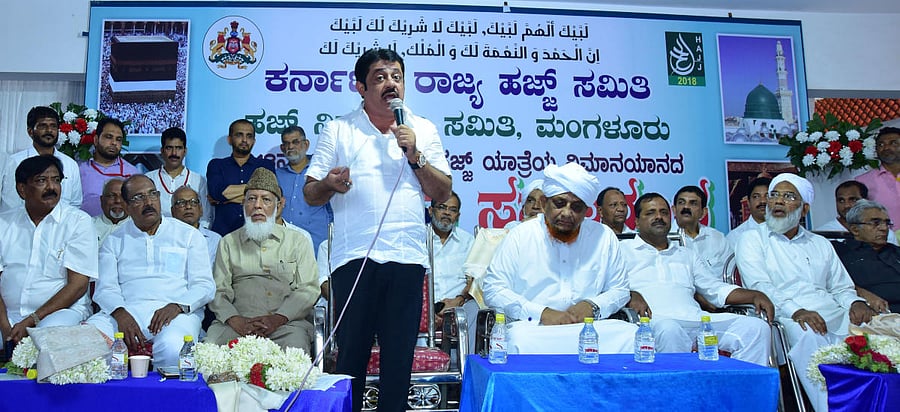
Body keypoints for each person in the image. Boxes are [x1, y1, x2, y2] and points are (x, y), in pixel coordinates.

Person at [303, 48, 452, 412]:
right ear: (360, 87)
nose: (391, 84)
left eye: (396, 76)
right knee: (351, 355)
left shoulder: (424, 129)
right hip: (354, 259)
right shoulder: (339, 129)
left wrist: (415, 156)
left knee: (398, 360)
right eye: (380, 77)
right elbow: (310, 193)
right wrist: (329, 184)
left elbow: (442, 191)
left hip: (406, 257)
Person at [736, 173, 875, 411]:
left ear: (804, 209)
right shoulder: (751, 239)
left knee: (878, 327)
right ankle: (829, 408)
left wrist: (855, 302)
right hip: (784, 316)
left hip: (832, 312)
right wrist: (797, 310)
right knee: (808, 332)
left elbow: (840, 286)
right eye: (774, 195)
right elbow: (760, 287)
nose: (778, 201)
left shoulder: (820, 243)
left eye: (789, 196)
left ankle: (873, 403)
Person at [481, 162, 637, 355]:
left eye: (577, 207)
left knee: (630, 335)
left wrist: (593, 306)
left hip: (589, 327)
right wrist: (542, 313)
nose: (567, 213)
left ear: (587, 211)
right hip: (534, 328)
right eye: (560, 203)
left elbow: (620, 289)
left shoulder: (603, 236)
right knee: (519, 340)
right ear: (545, 203)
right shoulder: (521, 235)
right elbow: (493, 289)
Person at [622, 193, 772, 366]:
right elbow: (612, 288)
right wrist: (631, 294)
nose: (658, 217)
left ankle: (740, 391)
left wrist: (754, 295)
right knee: (669, 329)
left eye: (664, 212)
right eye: (650, 213)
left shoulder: (686, 254)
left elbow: (714, 288)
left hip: (695, 319)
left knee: (755, 328)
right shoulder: (622, 251)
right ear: (636, 222)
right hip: (653, 322)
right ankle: (680, 392)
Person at [88, 175, 215, 367]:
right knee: (86, 342)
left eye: (152, 194)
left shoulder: (188, 235)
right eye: (138, 198)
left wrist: (177, 306)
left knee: (174, 349)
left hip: (177, 314)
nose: (148, 202)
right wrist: (121, 314)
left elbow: (205, 285)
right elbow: (105, 288)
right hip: (125, 311)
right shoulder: (114, 241)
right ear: (127, 206)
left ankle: (162, 397)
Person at [206, 168, 318, 352]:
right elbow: (219, 291)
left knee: (295, 351)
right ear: (243, 204)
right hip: (237, 325)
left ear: (278, 205)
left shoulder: (297, 241)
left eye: (266, 199)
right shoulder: (228, 242)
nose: (257, 205)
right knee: (210, 352)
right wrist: (237, 321)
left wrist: (278, 319)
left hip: (286, 325)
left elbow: (308, 289)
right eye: (251, 199)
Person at [0, 156, 98, 344]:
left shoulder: (78, 222)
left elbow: (77, 286)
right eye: (41, 181)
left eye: (56, 180)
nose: (51, 187)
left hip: (59, 314)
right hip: (7, 315)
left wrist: (33, 319)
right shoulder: (4, 223)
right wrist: (5, 327)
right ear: (22, 189)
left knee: (47, 338)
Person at [1, 106, 83, 211]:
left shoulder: (70, 164)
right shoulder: (14, 162)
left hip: (62, 226)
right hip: (24, 225)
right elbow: (10, 206)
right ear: (30, 132)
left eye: (53, 126)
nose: (49, 130)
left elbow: (75, 204)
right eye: (43, 126)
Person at [207, 119, 275, 236]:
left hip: (257, 233)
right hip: (223, 233)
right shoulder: (216, 165)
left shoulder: (265, 165)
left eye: (249, 136)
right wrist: (255, 192)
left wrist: (225, 199)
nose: (244, 140)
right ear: (229, 139)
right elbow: (217, 193)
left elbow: (271, 194)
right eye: (239, 135)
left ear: (254, 141)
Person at [833, 200, 899, 314]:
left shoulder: (896, 251)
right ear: (855, 229)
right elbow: (830, 284)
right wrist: (859, 293)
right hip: (878, 315)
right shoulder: (840, 252)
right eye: (876, 223)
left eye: (887, 223)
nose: (884, 228)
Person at [275, 125, 333, 253]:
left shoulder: (321, 171)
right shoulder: (277, 175)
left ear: (306, 144)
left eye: (295, 142)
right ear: (282, 148)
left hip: (317, 244)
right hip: (285, 244)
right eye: (286, 143)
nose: (290, 147)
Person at [146, 127, 212, 227]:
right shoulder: (149, 179)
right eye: (169, 148)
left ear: (185, 151)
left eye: (179, 148)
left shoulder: (198, 180)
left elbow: (205, 218)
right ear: (162, 151)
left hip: (191, 238)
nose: (174, 153)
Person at [429, 192, 475, 326]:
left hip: (461, 306)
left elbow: (476, 280)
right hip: (424, 307)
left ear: (458, 216)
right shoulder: (418, 239)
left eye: (453, 210)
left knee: (476, 310)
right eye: (442, 207)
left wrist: (459, 300)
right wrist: (426, 310)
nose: (447, 213)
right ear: (431, 211)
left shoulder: (468, 241)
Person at [79, 117, 139, 217]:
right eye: (109, 137)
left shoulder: (132, 173)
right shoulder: (80, 168)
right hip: (84, 229)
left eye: (118, 139)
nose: (114, 143)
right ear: (96, 140)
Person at [673, 185, 732, 276]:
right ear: (674, 210)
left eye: (693, 203)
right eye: (681, 202)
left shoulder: (717, 238)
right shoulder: (663, 238)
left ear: (703, 212)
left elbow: (729, 274)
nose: (686, 207)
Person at [815, 180, 898, 245]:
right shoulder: (822, 234)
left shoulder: (884, 234)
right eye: (841, 200)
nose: (846, 205)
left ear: (866, 201)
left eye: (853, 200)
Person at [856, 127, 900, 224]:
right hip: (885, 238)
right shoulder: (862, 182)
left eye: (893, 143)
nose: (886, 148)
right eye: (881, 144)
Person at [171, 186, 221, 268]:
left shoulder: (215, 240)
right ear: (172, 211)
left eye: (193, 202)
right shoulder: (166, 239)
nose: (188, 207)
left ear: (201, 210)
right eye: (181, 203)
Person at [726, 177, 770, 248]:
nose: (763, 201)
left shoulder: (785, 232)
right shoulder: (735, 237)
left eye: (767, 196)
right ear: (748, 203)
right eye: (756, 196)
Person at [92, 178, 130, 246]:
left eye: (123, 196)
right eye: (111, 196)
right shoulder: (89, 225)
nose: (118, 200)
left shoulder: (139, 227)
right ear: (102, 200)